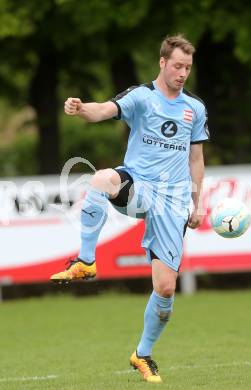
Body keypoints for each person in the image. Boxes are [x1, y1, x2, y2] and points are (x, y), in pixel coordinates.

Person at [51, 34, 209, 383]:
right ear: (162, 62)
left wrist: (198, 203)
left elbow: (196, 157)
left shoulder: (194, 108)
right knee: (101, 179)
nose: (183, 73)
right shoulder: (142, 96)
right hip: (139, 186)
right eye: (178, 66)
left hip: (173, 200)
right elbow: (104, 110)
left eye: (188, 67)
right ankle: (86, 261)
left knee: (166, 288)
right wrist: (81, 110)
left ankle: (143, 354)